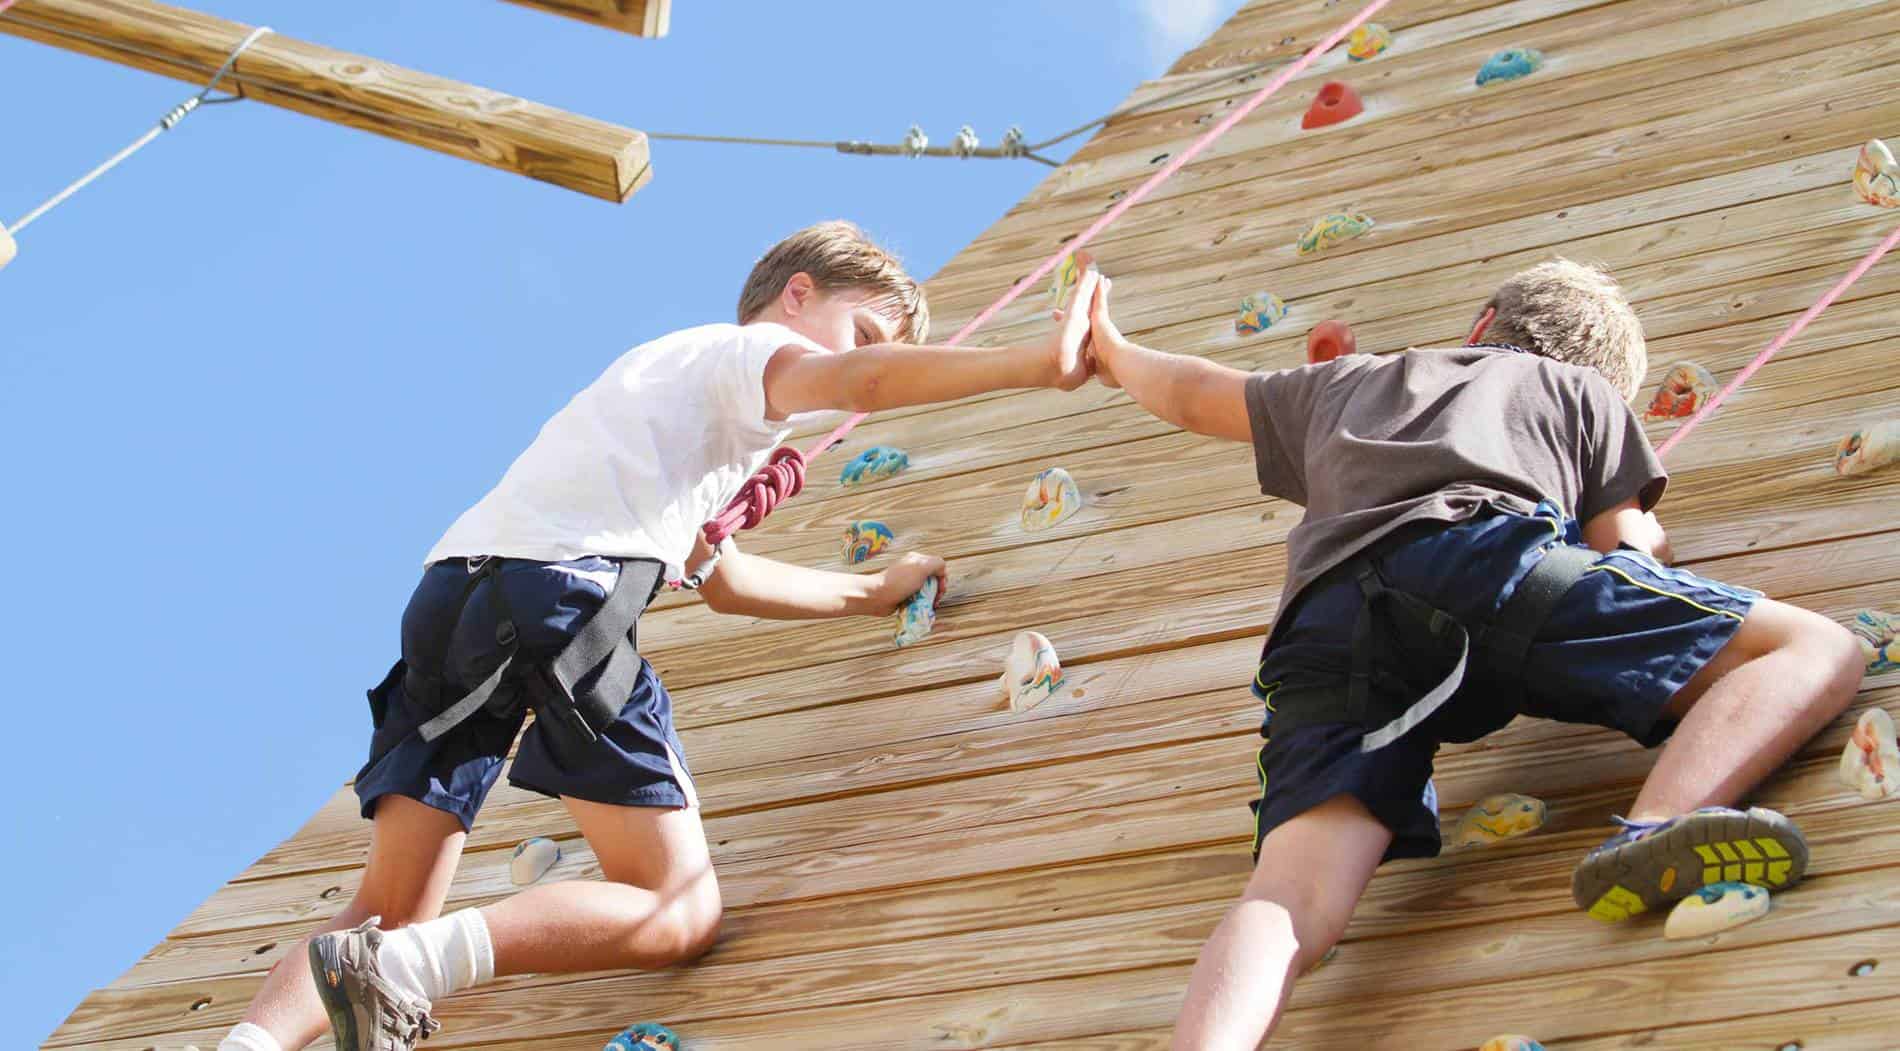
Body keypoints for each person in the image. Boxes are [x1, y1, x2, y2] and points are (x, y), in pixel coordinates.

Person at [218, 222, 1104, 1051]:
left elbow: (726, 580)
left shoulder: (666, 398)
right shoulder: (749, 354)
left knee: (387, 911)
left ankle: (250, 1041)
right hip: (560, 595)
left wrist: (876, 588)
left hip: (455, 595)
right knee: (675, 908)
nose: (875, 358)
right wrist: (1037, 363)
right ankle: (399, 972)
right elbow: (859, 385)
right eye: (866, 329)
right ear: (796, 295)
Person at [1077, 256, 1864, 1049]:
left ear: (1484, 324)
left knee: (1289, 895)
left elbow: (1190, 391)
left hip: (1326, 628)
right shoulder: (1582, 394)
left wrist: (1110, 347)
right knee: (1815, 645)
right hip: (1486, 565)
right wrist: (1644, 530)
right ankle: (1656, 825)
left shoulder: (1350, 380)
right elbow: (1626, 551)